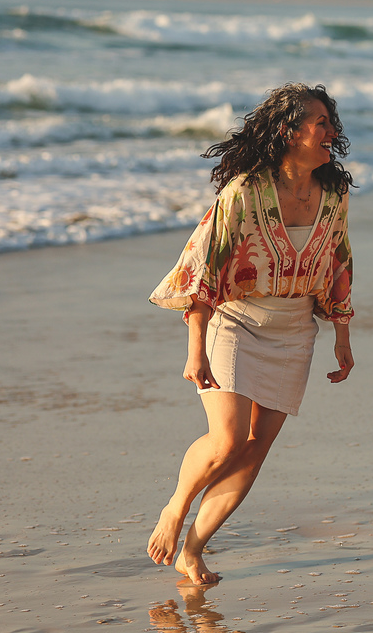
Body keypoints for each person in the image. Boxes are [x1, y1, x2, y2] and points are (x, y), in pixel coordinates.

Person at [146, 82, 355, 585]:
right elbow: (204, 268)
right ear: (289, 131)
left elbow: (339, 263)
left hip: (295, 330)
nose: (331, 131)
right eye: (321, 122)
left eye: (331, 121)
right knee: (229, 438)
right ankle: (176, 507)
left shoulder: (334, 193)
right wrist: (195, 349)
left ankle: (193, 549)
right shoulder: (244, 191)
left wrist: (342, 336)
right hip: (237, 320)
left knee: (256, 448)